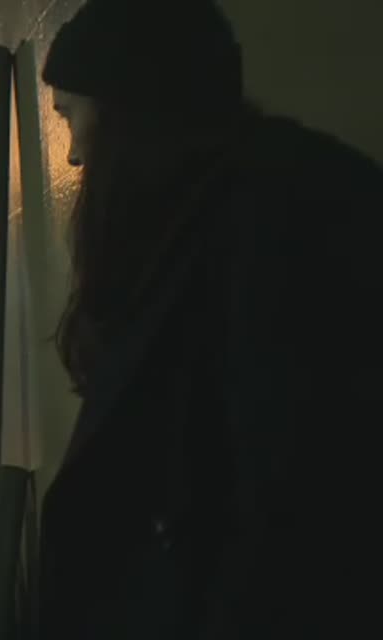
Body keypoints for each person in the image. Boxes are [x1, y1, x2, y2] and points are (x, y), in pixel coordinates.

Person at [37, 1, 380, 638]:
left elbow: (289, 504)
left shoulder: (278, 220)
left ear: (127, 108)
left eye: (71, 116)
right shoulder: (240, 204)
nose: (76, 154)